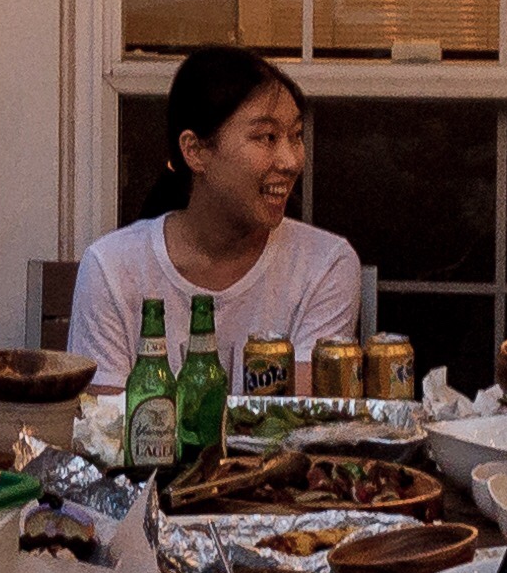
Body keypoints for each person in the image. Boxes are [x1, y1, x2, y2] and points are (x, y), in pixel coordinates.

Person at [61, 46, 362, 387]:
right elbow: (104, 415)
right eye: (267, 137)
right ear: (195, 151)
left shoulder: (325, 264)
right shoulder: (112, 267)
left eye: (295, 136)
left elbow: (300, 414)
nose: (291, 161)